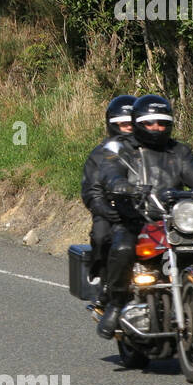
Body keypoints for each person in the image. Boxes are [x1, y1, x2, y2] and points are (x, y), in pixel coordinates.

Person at [95, 94, 193, 339]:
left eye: (162, 122)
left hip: (173, 218)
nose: (156, 127)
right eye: (150, 123)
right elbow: (110, 173)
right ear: (138, 122)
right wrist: (123, 186)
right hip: (136, 219)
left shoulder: (178, 151)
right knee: (123, 248)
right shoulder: (123, 148)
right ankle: (115, 305)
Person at [81, 95, 136, 292]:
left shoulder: (150, 150)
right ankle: (105, 282)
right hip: (112, 209)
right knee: (101, 236)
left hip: (145, 209)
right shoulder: (100, 153)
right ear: (113, 125)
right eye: (123, 124)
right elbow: (91, 189)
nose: (129, 127)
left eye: (132, 123)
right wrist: (103, 208)